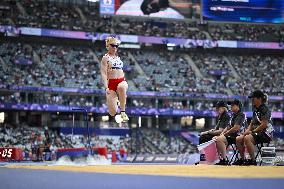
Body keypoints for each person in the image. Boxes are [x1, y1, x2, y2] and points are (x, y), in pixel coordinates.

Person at [100, 36, 129, 123]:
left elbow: (120, 70)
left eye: (116, 46)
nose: (115, 48)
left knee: (121, 87)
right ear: (107, 46)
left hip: (121, 81)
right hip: (111, 84)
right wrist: (106, 87)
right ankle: (116, 99)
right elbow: (104, 73)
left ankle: (123, 112)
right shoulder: (105, 58)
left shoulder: (118, 58)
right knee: (112, 112)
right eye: (112, 45)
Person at [242, 90, 274, 165]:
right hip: (257, 133)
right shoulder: (255, 110)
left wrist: (252, 132)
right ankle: (242, 159)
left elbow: (264, 125)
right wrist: (247, 131)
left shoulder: (264, 109)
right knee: (239, 138)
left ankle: (252, 160)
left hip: (266, 133)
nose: (252, 100)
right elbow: (252, 123)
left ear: (259, 99)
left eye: (253, 98)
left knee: (247, 138)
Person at [214, 99, 246, 165]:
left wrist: (224, 134)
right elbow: (228, 126)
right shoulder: (233, 115)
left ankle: (241, 159)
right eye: (231, 105)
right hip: (232, 135)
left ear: (237, 106)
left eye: (233, 105)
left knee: (220, 139)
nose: (231, 106)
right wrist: (222, 133)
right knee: (218, 138)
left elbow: (236, 128)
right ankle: (223, 159)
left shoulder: (241, 115)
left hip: (239, 135)